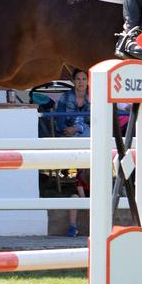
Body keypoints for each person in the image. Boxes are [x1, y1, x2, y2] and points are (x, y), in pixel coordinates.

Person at [55, 69, 93, 236]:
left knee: (90, 133)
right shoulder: (65, 97)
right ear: (73, 81)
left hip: (86, 131)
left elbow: (95, 118)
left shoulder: (93, 96)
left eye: (84, 79)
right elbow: (59, 118)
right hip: (67, 132)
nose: (81, 82)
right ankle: (81, 175)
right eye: (78, 79)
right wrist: (66, 129)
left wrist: (77, 127)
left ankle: (84, 173)